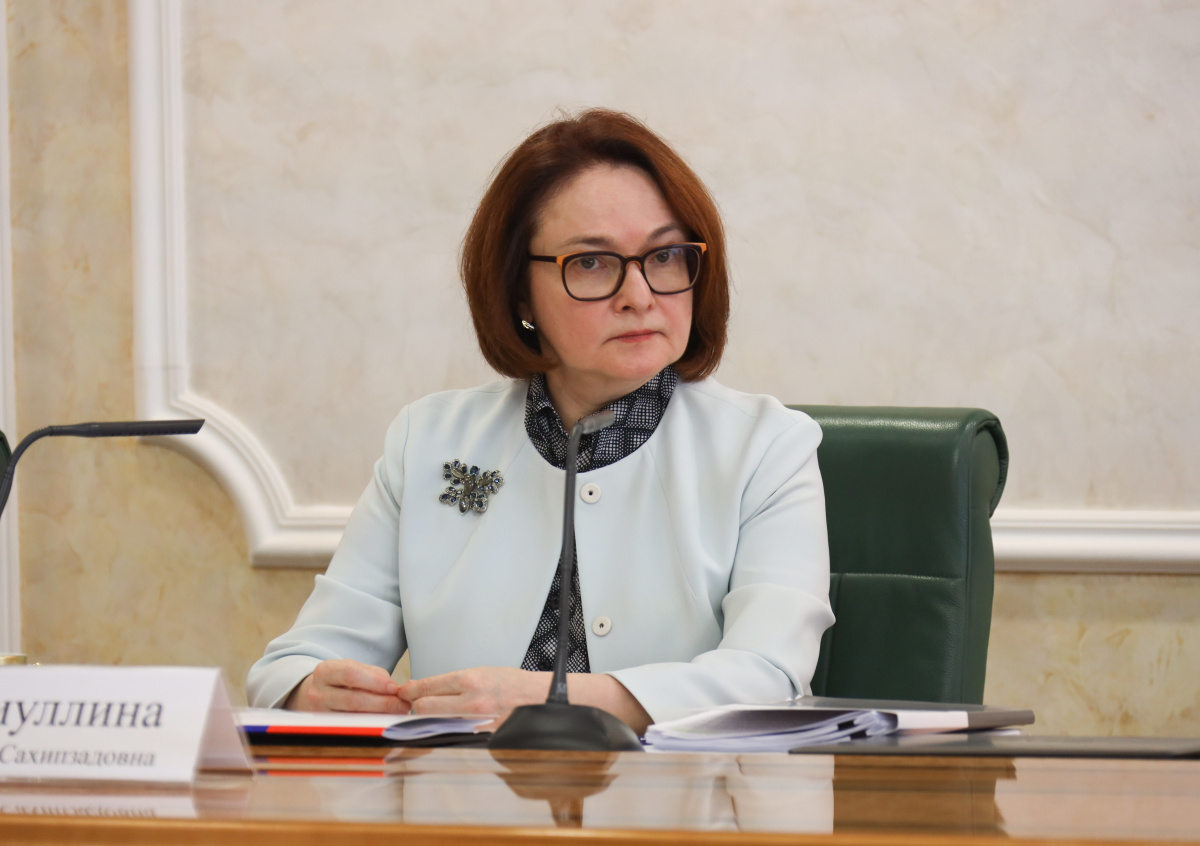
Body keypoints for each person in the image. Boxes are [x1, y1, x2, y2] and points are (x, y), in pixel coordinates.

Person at [247, 109, 834, 733]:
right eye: (591, 263)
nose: (639, 296)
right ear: (518, 291)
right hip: (457, 793)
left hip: (674, 793)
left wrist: (565, 700)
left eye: (664, 256)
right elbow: (294, 663)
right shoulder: (429, 441)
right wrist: (312, 690)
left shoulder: (767, 447)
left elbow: (768, 675)